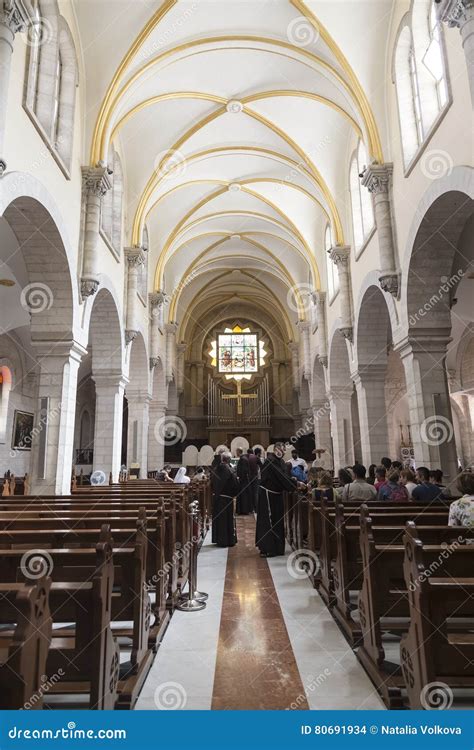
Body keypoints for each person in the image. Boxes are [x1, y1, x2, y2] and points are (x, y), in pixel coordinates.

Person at [256, 442, 300, 557]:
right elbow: (281, 477)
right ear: (275, 449)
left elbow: (284, 475)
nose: (282, 452)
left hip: (276, 495)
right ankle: (269, 548)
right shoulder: (270, 460)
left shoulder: (280, 461)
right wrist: (295, 483)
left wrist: (292, 480)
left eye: (284, 450)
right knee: (269, 522)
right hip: (268, 495)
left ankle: (278, 548)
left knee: (277, 521)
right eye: (280, 450)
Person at [212, 452, 240, 547]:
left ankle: (219, 539)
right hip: (227, 499)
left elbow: (212, 483)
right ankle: (228, 540)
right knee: (227, 520)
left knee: (220, 519)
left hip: (217, 498)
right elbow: (236, 485)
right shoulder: (230, 471)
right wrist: (235, 494)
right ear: (228, 460)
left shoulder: (215, 469)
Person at [236, 447, 252, 515]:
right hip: (244, 480)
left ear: (239, 452)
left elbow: (244, 471)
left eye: (236, 451)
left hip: (243, 481)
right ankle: (243, 510)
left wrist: (240, 478)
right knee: (243, 495)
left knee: (244, 496)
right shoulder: (243, 458)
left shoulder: (243, 459)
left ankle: (244, 510)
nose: (236, 453)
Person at [247, 448, 260, 513]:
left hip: (249, 477)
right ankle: (257, 509)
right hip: (255, 476)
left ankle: (250, 509)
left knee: (250, 493)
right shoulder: (256, 458)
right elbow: (262, 466)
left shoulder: (247, 457)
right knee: (255, 493)